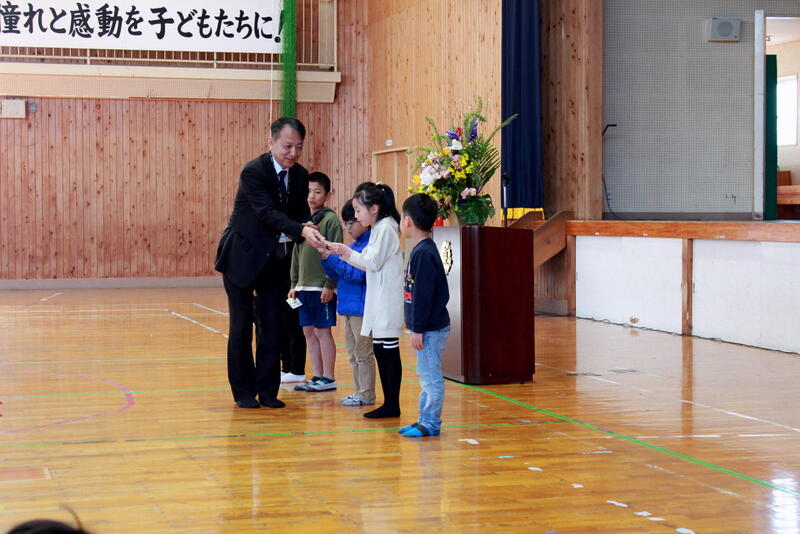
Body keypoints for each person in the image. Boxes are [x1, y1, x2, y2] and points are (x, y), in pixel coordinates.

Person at [214, 117, 324, 409]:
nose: (293, 153)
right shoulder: (253, 172)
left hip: (274, 260)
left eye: (299, 147)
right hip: (242, 257)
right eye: (287, 146)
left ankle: (268, 390)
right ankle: (243, 392)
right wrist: (300, 230)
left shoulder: (300, 174)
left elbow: (299, 212)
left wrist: (308, 225)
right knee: (241, 327)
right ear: (271, 142)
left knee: (272, 325)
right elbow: (267, 213)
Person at [325, 183, 404, 418]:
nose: (356, 216)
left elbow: (372, 262)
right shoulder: (379, 228)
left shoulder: (387, 228)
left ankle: (392, 404)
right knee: (380, 350)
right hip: (377, 298)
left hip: (387, 300)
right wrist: (343, 251)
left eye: (359, 210)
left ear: (374, 208)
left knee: (388, 351)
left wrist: (344, 251)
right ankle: (389, 403)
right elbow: (366, 260)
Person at [396, 193, 451, 437]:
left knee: (430, 376)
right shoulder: (420, 250)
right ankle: (423, 418)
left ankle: (431, 423)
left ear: (407, 221)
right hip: (424, 327)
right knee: (424, 374)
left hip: (429, 328)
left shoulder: (424, 253)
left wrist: (417, 328)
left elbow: (424, 296)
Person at [288, 172, 343, 392]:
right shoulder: (302, 223)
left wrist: (329, 284)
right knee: (308, 332)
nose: (312, 196)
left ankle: (329, 378)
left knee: (323, 332)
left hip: (321, 288)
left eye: (317, 191)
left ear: (327, 194)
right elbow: (296, 254)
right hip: (303, 287)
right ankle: (317, 375)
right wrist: (294, 284)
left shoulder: (330, 220)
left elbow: (336, 253)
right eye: (308, 191)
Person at [321, 198, 376, 406]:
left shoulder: (368, 246)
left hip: (361, 309)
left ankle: (366, 395)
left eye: (351, 222)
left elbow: (357, 275)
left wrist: (333, 258)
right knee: (353, 354)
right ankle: (359, 392)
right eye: (345, 223)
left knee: (363, 354)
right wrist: (326, 258)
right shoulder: (353, 246)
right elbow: (337, 273)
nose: (347, 227)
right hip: (348, 307)